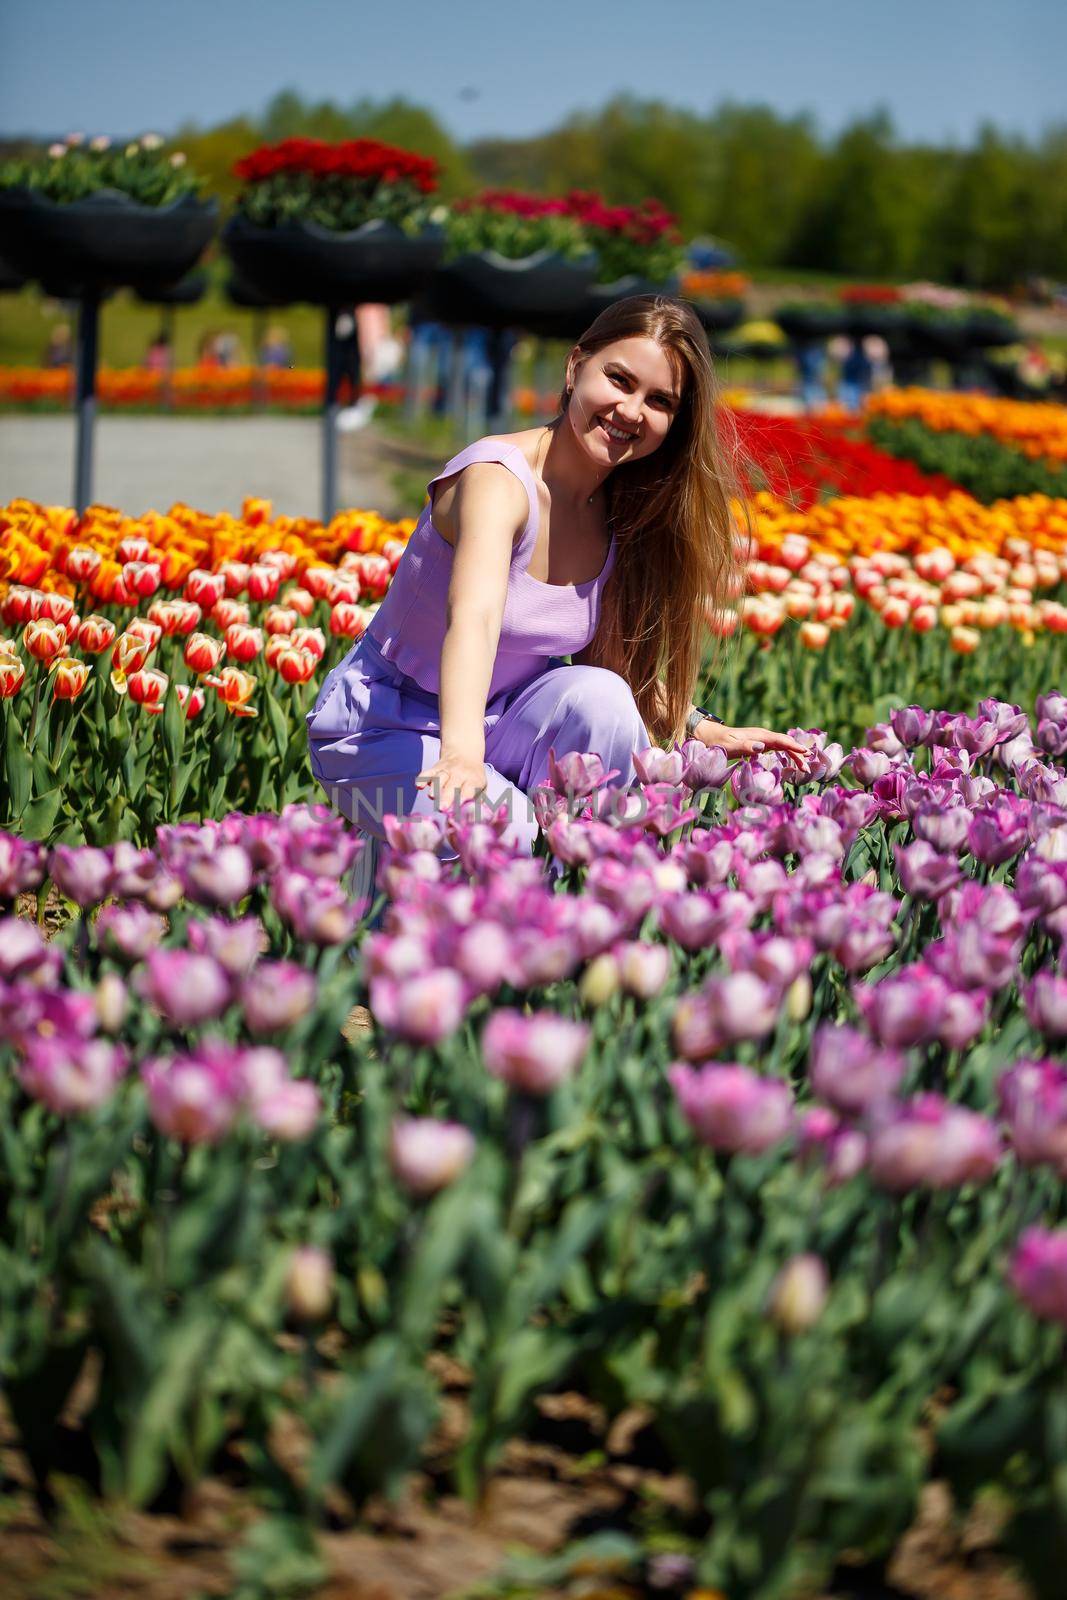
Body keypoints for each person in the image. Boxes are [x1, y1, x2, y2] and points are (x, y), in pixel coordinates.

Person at [306, 294, 806, 897]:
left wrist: (700, 729)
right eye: (618, 379)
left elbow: (609, 670)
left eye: (659, 401)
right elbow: (475, 617)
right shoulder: (496, 481)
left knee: (600, 697)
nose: (630, 410)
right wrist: (463, 755)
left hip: (500, 722)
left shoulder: (620, 509)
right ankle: (378, 899)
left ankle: (577, 910)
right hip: (384, 725)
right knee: (508, 835)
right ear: (575, 368)